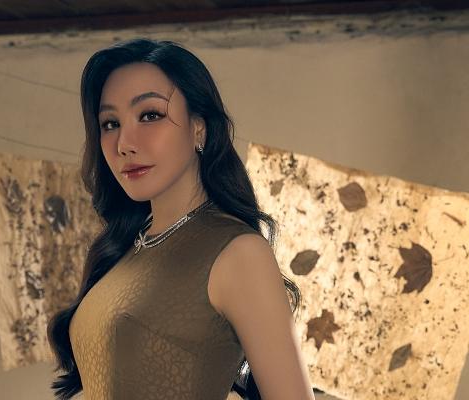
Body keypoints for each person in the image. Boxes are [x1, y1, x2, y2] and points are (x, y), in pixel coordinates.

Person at [47, 37, 315, 400]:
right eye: (110, 123)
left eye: (150, 115)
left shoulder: (238, 253)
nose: (124, 143)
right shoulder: (127, 247)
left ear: (198, 127)